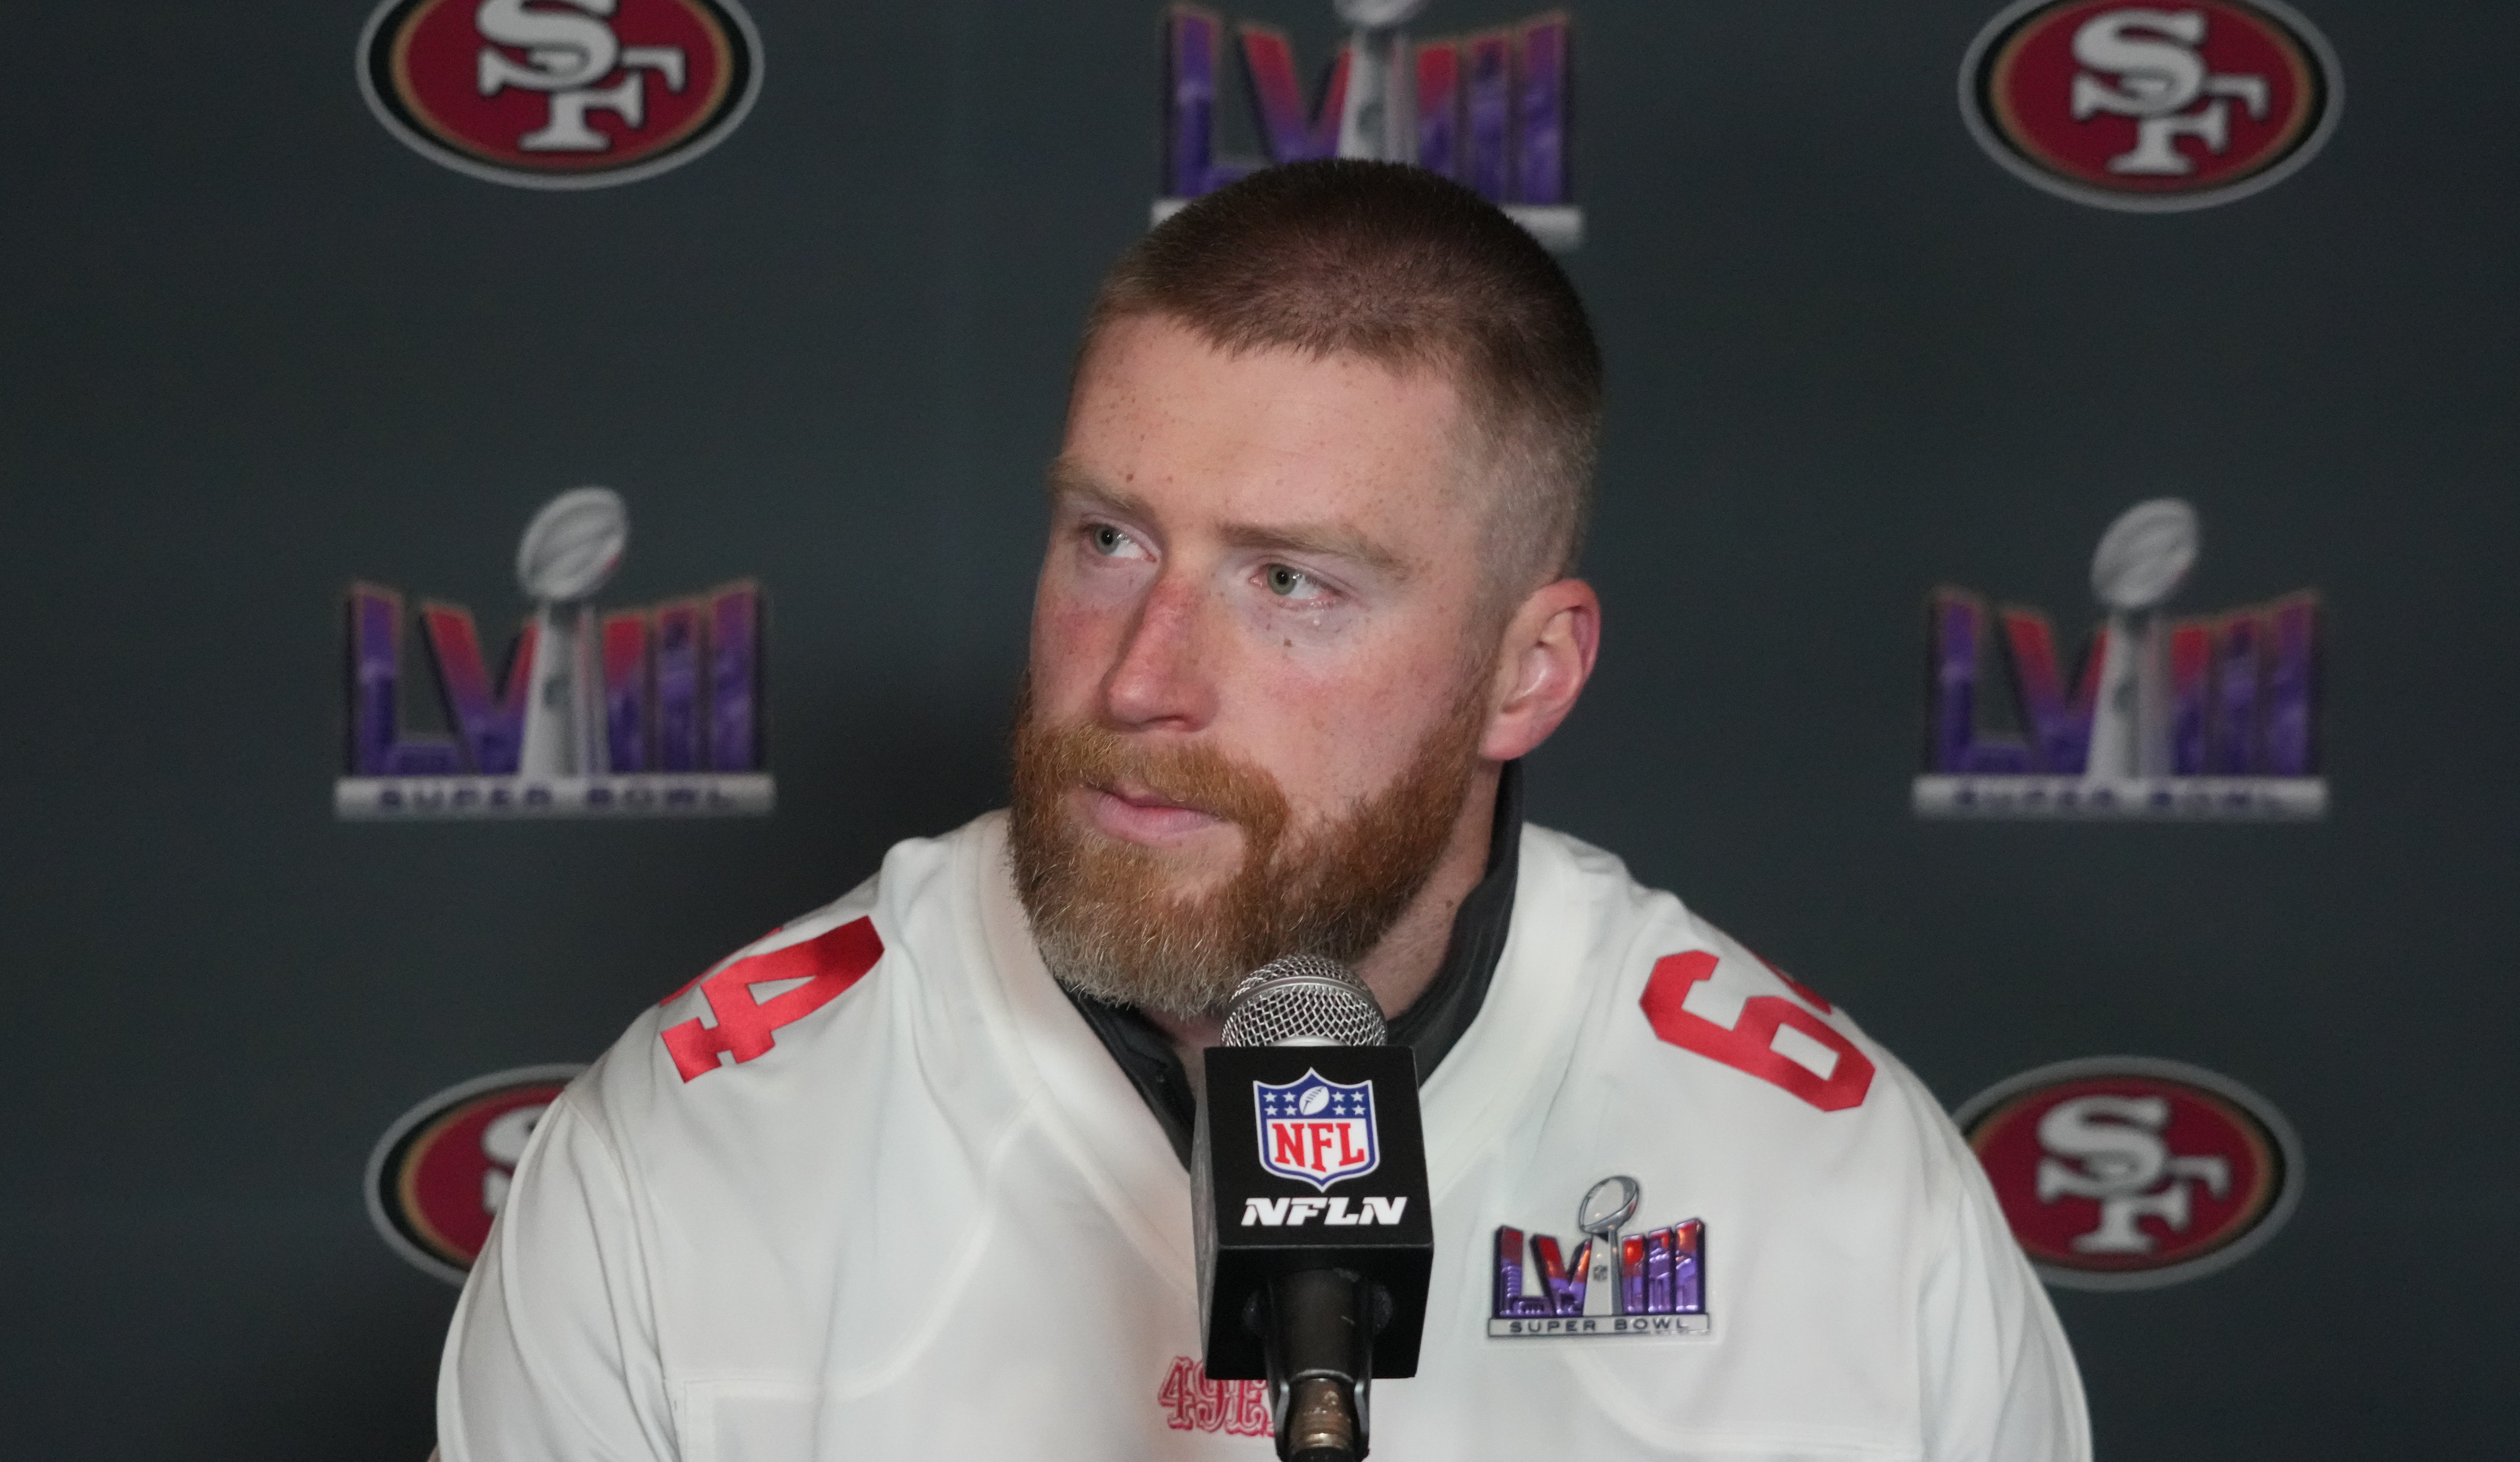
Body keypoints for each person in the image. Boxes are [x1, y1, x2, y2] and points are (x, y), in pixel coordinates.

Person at [436, 160, 2089, 1460]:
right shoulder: (691, 1156)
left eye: (1289, 581)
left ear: (1528, 672)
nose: (1145, 677)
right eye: (1107, 540)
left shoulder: (1835, 1201)